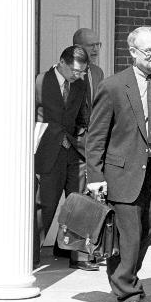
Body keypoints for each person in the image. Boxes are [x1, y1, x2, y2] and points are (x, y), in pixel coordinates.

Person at [85, 26, 151, 302]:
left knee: (149, 229)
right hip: (121, 174)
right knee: (129, 236)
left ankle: (127, 276)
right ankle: (127, 293)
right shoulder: (112, 86)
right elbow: (96, 137)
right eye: (148, 50)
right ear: (133, 52)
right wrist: (96, 177)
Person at [34, 46, 89, 266]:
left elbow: (83, 116)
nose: (78, 75)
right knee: (44, 205)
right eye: (74, 70)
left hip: (74, 151)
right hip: (48, 152)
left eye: (81, 71)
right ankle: (30, 256)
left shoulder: (81, 84)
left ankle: (79, 256)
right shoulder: (39, 82)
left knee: (80, 203)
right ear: (62, 62)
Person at [69, 28, 105, 271]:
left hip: (94, 142)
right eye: (90, 45)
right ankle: (77, 255)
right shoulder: (68, 71)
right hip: (73, 142)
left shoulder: (98, 72)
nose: (95, 49)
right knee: (79, 196)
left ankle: (89, 251)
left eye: (97, 44)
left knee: (93, 195)